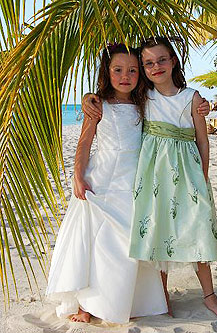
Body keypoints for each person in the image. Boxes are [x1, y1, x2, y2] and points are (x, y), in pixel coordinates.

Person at [83, 37, 217, 322]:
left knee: (198, 228)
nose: (155, 67)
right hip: (155, 180)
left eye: (161, 60)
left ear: (173, 60)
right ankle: (161, 297)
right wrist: (88, 97)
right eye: (148, 63)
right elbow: (114, 98)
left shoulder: (192, 98)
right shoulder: (144, 97)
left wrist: (203, 176)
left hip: (189, 175)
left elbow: (202, 141)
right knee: (160, 232)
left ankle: (209, 294)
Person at [46, 44, 168, 324]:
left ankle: (131, 300)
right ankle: (88, 305)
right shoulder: (98, 103)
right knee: (95, 245)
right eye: (118, 70)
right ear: (107, 71)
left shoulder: (146, 103)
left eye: (133, 70)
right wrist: (78, 176)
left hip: (135, 180)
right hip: (102, 181)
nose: (125, 76)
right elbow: (84, 144)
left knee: (129, 244)